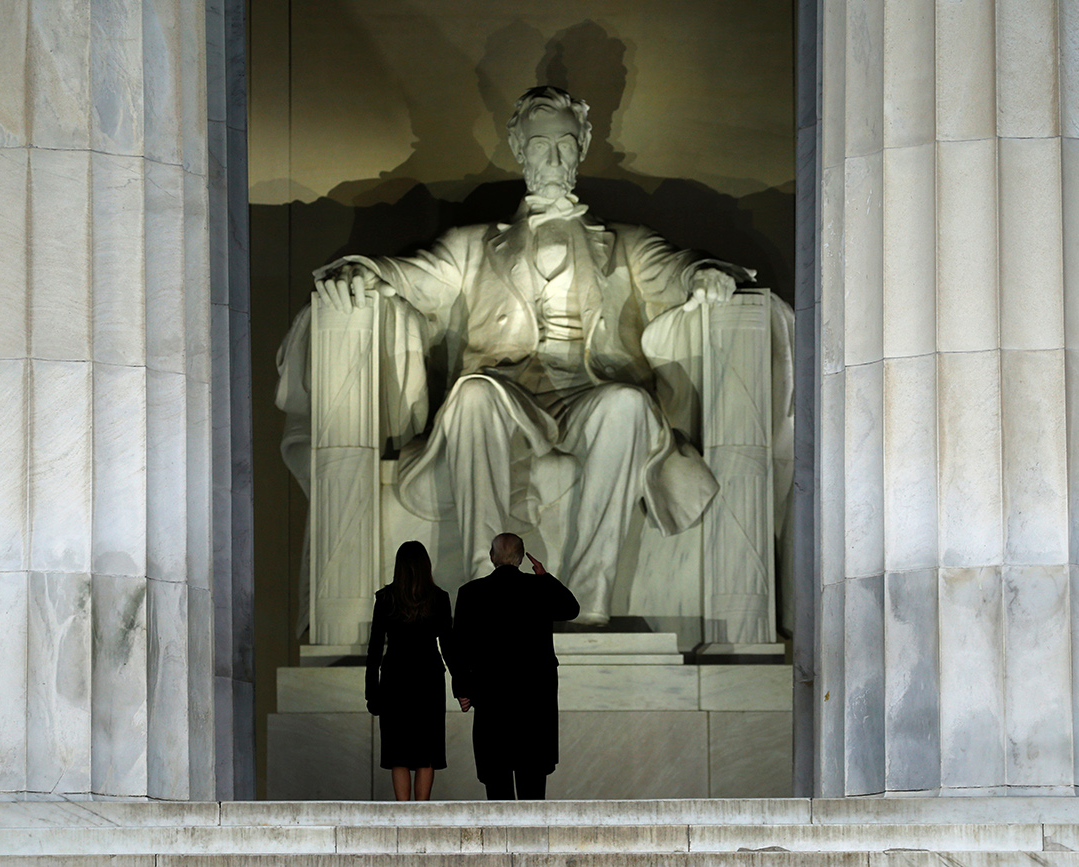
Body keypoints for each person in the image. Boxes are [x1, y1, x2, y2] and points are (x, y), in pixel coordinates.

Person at [313, 86, 751, 625]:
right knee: (471, 395)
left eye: (566, 145)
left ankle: (589, 598)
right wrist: (365, 271)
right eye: (541, 146)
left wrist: (705, 276)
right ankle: (486, 587)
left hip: (587, 391)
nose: (554, 159)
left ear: (583, 145)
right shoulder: (473, 244)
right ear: (519, 148)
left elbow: (678, 268)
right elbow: (414, 276)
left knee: (629, 406)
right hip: (506, 392)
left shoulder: (623, 242)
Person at [451, 532, 580, 799]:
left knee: (497, 787)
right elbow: (571, 609)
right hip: (534, 702)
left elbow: (459, 646)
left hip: (491, 700)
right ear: (521, 558)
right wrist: (545, 577)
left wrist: (462, 688)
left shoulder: (471, 592)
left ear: (492, 557)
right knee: (532, 788)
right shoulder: (539, 588)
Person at [365, 540, 453, 800]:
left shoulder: (385, 599)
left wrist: (372, 691)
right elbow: (449, 646)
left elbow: (374, 650)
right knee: (426, 752)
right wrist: (462, 684)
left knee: (398, 753)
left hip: (395, 679)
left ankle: (403, 813)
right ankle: (420, 812)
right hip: (429, 679)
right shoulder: (439, 599)